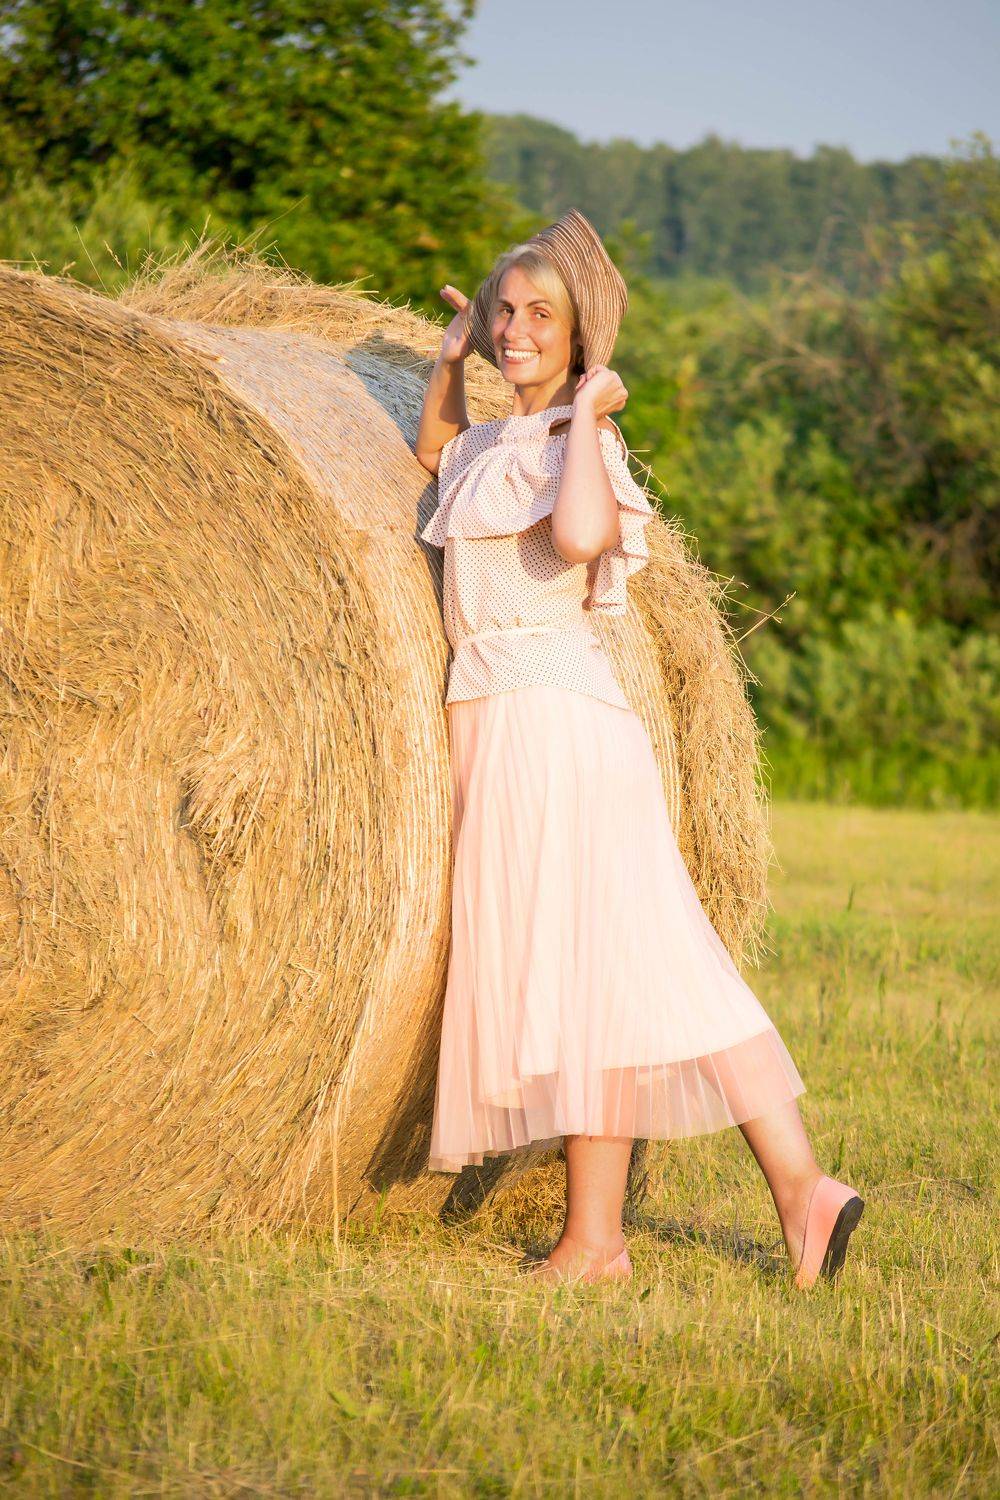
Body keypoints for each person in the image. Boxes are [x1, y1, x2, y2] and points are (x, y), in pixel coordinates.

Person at [414, 208, 864, 1289]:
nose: (515, 329)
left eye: (541, 315)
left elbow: (579, 539)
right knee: (635, 970)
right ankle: (792, 1193)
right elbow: (434, 454)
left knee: (602, 979)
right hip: (509, 722)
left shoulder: (582, 445)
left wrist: (588, 413)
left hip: (555, 730)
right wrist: (448, 362)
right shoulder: (493, 444)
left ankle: (602, 1241)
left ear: (581, 339)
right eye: (503, 310)